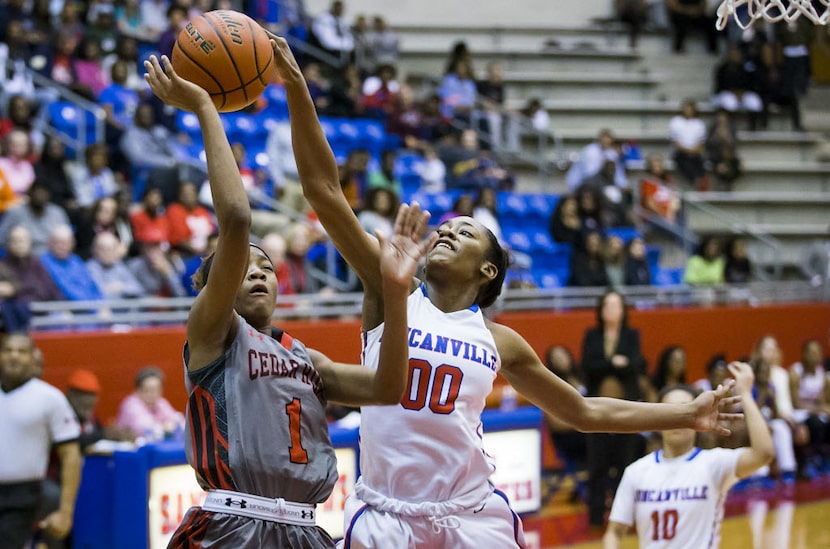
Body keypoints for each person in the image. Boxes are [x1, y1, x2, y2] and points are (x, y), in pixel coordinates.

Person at [268, 34, 741, 548]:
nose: (446, 231)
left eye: (465, 232)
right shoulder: (391, 293)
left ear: (488, 271)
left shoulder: (501, 341)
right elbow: (323, 190)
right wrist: (297, 85)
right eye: (446, 227)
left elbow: (584, 413)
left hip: (471, 514)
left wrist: (686, 413)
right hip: (388, 515)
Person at [143, 53, 431, 548]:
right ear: (215, 288)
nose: (257, 272)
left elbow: (390, 386)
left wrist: (396, 291)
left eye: (267, 268)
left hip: (307, 529)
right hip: (232, 525)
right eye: (242, 267)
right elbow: (236, 220)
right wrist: (204, 106)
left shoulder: (306, 357)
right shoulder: (215, 335)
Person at [603, 363, 775, 549]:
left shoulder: (713, 463)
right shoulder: (635, 472)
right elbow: (614, 533)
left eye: (685, 411)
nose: (678, 418)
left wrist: (746, 394)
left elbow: (763, 453)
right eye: (671, 411)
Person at [0, 333, 82, 549]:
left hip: (24, 495)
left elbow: (71, 455)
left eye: (21, 351)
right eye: (8, 350)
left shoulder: (49, 397)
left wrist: (65, 512)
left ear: (33, 358)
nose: (13, 356)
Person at [115, 366, 185, 441]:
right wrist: (166, 427)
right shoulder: (130, 405)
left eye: (157, 389)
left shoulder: (161, 402)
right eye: (148, 390)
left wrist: (172, 425)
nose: (153, 394)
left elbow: (180, 422)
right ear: (138, 390)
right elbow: (145, 429)